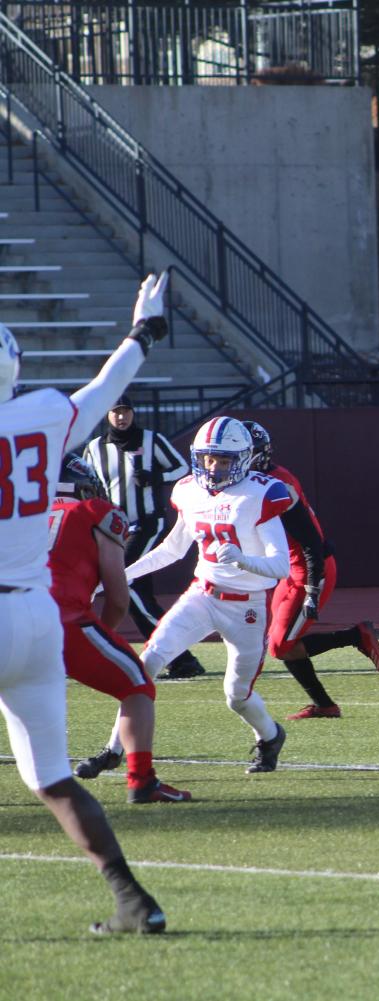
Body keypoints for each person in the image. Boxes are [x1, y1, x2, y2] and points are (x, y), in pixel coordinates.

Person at [0, 272, 168, 933]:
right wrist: (144, 330)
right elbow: (104, 391)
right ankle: (134, 901)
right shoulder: (41, 414)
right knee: (51, 777)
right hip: (37, 618)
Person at [115, 416, 294, 774]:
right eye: (209, 458)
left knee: (236, 696)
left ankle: (270, 736)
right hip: (203, 594)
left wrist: (243, 559)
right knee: (147, 661)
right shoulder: (189, 491)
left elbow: (281, 567)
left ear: (242, 459)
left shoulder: (260, 493)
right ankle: (112, 750)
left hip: (247, 608)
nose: (214, 467)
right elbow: (170, 550)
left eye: (224, 459)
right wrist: (117, 577)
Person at [54, 457, 189, 803]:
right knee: (137, 686)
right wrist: (99, 638)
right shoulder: (94, 512)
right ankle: (142, 780)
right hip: (61, 620)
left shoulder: (15, 516)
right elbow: (117, 598)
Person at [240, 421, 379, 721]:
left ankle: (354, 636)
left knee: (280, 646)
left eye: (239, 455)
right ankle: (325, 706)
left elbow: (311, 543)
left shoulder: (277, 485)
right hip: (290, 570)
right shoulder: (255, 482)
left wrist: (311, 589)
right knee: (278, 642)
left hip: (309, 568)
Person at [82, 395, 204, 680]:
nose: (121, 417)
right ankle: (180, 658)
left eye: (125, 411)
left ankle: (179, 656)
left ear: (133, 414)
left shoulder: (151, 440)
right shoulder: (94, 448)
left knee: (125, 580)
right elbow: (88, 482)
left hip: (148, 523)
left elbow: (183, 468)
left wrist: (155, 477)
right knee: (136, 592)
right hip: (115, 528)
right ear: (107, 415)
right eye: (115, 412)